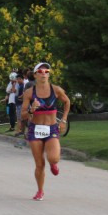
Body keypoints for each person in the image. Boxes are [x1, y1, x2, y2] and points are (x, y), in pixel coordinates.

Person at [21, 62, 70, 201]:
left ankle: (54, 164)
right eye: (40, 71)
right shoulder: (29, 93)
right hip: (35, 129)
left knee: (53, 158)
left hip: (51, 128)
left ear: (49, 74)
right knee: (39, 164)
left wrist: (64, 120)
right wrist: (32, 109)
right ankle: (40, 191)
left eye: (46, 71)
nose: (44, 73)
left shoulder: (56, 90)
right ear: (35, 75)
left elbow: (67, 102)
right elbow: (23, 115)